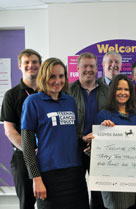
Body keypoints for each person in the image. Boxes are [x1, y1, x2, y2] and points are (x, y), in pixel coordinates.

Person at [21, 58, 89, 209]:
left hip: (75, 173)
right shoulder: (33, 102)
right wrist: (36, 178)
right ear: (44, 77)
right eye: (52, 76)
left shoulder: (70, 101)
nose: (57, 81)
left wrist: (83, 138)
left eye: (61, 76)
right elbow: (27, 145)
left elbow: (69, 134)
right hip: (48, 175)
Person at [0, 49, 41, 209]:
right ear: (20, 66)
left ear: (40, 65)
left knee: (49, 201)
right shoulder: (11, 95)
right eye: (26, 62)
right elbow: (9, 131)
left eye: (35, 62)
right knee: (27, 204)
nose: (31, 65)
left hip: (47, 157)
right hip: (22, 157)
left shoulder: (47, 92)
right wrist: (31, 151)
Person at [94, 74, 136, 209]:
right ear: (113, 91)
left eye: (126, 90)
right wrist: (102, 130)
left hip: (132, 174)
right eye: (119, 89)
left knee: (132, 205)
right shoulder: (103, 115)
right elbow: (95, 147)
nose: (123, 93)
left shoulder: (135, 115)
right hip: (111, 177)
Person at [69, 52, 107, 209]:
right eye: (85, 66)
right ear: (78, 68)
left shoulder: (107, 91)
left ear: (97, 68)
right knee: (77, 191)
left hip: (101, 148)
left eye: (92, 66)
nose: (88, 69)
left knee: (99, 193)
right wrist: (82, 138)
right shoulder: (68, 91)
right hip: (75, 147)